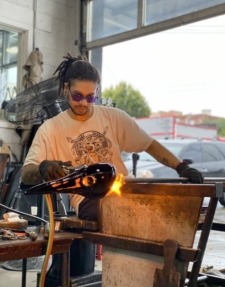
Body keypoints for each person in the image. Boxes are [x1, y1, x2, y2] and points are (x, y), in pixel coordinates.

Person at [21, 53, 203, 220]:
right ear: (66, 88)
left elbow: (149, 145)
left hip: (126, 189)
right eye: (77, 96)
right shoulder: (50, 129)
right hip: (89, 200)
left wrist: (181, 167)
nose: (84, 103)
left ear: (97, 92)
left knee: (173, 207)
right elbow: (26, 174)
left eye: (90, 97)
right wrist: (43, 168)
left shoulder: (114, 117)